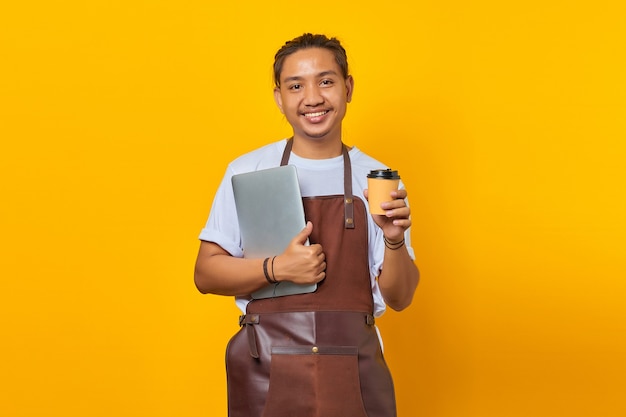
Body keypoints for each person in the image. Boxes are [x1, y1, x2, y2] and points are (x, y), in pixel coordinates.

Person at [194, 33, 420, 417]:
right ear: (279, 97)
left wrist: (394, 241)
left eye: (326, 81)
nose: (312, 97)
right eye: (295, 85)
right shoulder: (248, 171)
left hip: (355, 366)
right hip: (264, 364)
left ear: (348, 88)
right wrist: (277, 269)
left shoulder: (377, 179)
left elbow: (400, 298)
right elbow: (205, 273)